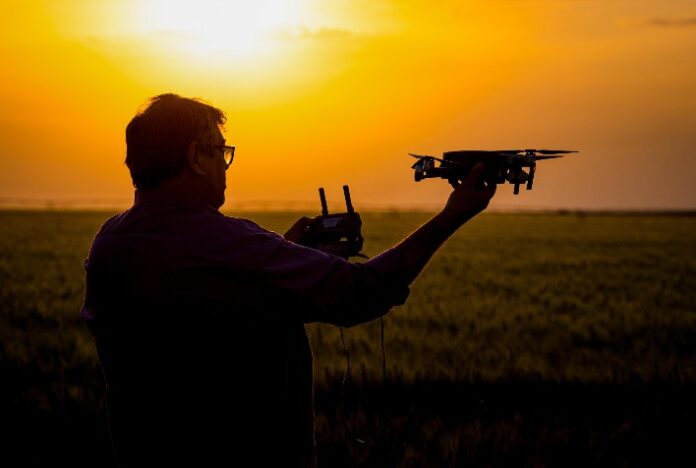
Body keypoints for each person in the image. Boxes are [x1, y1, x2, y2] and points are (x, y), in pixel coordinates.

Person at [81, 93, 496, 467]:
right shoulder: (235, 245)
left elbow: (204, 308)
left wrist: (288, 253)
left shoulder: (110, 244)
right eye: (220, 151)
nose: (225, 166)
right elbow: (363, 292)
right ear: (194, 157)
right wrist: (453, 215)